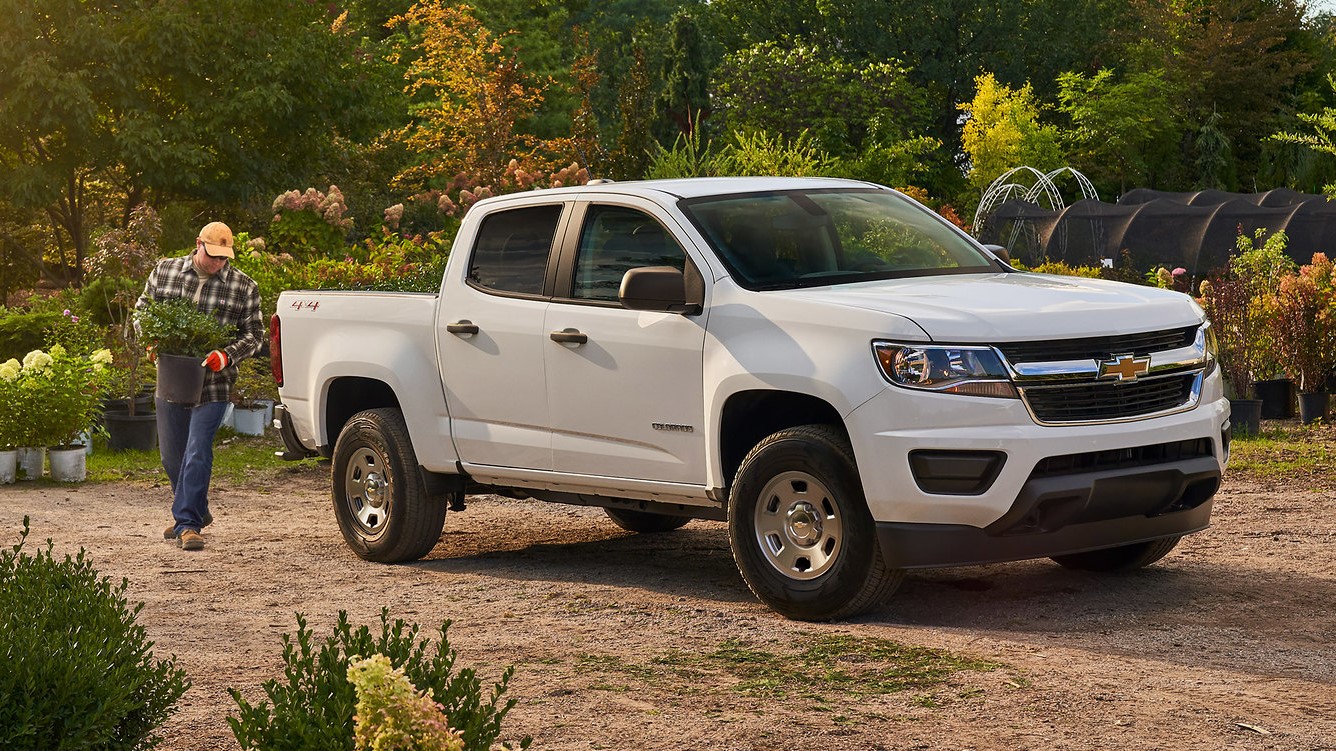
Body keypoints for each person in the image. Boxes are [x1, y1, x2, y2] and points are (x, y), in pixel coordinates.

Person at [135, 221, 263, 551]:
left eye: (224, 257)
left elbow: (255, 336)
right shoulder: (165, 271)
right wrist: (149, 340)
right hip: (173, 376)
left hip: (215, 385)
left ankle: (188, 524)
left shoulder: (243, 286)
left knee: (197, 450)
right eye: (213, 255)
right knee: (171, 455)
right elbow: (142, 310)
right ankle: (197, 509)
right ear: (198, 244)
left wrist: (227, 355)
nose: (218, 263)